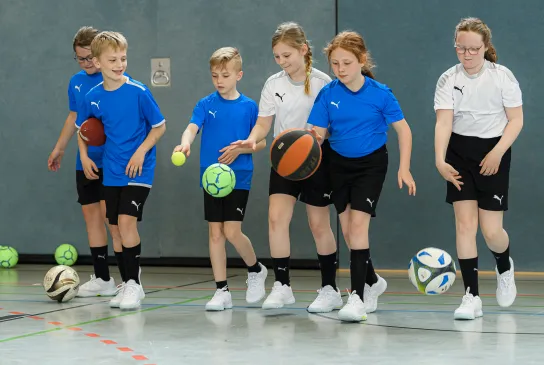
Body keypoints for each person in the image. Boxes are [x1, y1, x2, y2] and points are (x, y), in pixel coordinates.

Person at [231, 22, 341, 312]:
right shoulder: (273, 84)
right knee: (276, 219)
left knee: (319, 225)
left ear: (303, 50)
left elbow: (327, 126)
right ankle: (282, 286)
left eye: (287, 55)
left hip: (316, 159)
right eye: (277, 56)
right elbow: (264, 124)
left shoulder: (322, 82)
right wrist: (251, 140)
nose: (282, 62)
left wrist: (311, 140)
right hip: (283, 161)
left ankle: (330, 288)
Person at [308, 30, 416, 322]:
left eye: (346, 63)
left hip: (371, 165)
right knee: (347, 231)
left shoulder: (380, 93)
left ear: (362, 60)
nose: (340, 69)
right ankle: (373, 281)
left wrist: (403, 167)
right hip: (338, 164)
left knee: (357, 229)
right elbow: (317, 133)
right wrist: (310, 139)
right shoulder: (328, 93)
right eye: (335, 64)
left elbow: (403, 130)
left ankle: (356, 297)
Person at [434, 17, 522, 320]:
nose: (467, 54)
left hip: (494, 151)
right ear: (455, 46)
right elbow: (444, 121)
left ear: (485, 47)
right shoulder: (448, 79)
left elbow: (516, 120)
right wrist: (440, 158)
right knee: (464, 225)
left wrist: (498, 152)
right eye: (461, 49)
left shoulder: (503, 77)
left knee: (491, 230)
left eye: (474, 49)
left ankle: (504, 265)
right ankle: (471, 295)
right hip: (459, 152)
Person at [76, 31, 167, 310]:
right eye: (112, 59)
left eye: (123, 58)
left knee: (127, 223)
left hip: (139, 169)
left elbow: (159, 126)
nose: (119, 64)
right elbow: (83, 131)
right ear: (98, 62)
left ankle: (135, 286)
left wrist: (141, 151)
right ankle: (128, 282)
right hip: (111, 171)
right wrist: (85, 156)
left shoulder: (139, 92)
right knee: (114, 227)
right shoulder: (93, 97)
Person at [174, 47, 268, 311]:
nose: (219, 80)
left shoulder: (249, 107)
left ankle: (256, 269)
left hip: (239, 176)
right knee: (215, 233)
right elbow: (191, 128)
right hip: (211, 177)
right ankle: (221, 290)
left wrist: (241, 149)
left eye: (225, 75)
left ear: (239, 75)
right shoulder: (205, 104)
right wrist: (184, 144)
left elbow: (260, 143)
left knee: (231, 231)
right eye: (215, 75)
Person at [47, 26, 122, 298]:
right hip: (85, 161)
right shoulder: (76, 82)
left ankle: (129, 280)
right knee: (91, 217)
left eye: (91, 57)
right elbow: (74, 118)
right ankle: (103, 278)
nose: (87, 63)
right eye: (81, 58)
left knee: (113, 221)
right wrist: (60, 149)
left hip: (112, 162)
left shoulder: (114, 80)